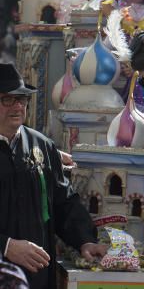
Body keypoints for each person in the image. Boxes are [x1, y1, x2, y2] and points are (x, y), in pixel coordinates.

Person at [0, 64, 106, 289]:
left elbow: (63, 201)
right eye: (7, 100)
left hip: (36, 273)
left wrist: (84, 240)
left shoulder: (41, 146)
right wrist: (6, 246)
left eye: (22, 99)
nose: (17, 106)